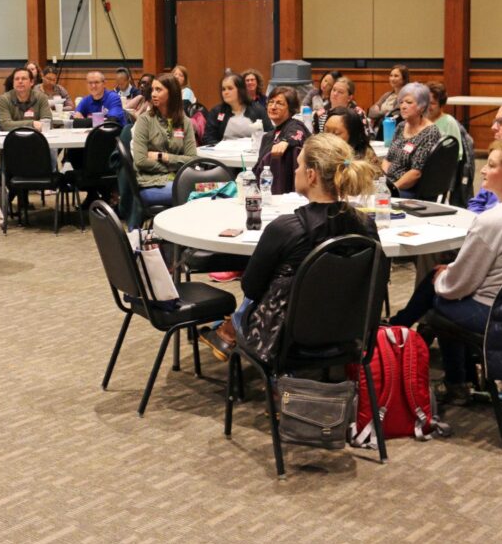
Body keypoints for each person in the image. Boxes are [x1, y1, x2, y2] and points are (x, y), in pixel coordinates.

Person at [391, 141, 502, 404]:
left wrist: (442, 277)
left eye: (491, 165)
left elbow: (456, 286)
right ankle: (403, 333)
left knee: (439, 296)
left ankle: (450, 378)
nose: (483, 171)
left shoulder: (493, 220)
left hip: (498, 315)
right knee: (441, 280)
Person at [199, 133, 380, 360]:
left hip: (284, 341)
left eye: (299, 165)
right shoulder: (366, 227)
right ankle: (229, 329)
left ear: (311, 175)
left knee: (265, 285)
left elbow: (251, 287)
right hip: (349, 334)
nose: (295, 171)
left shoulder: (286, 229)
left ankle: (228, 330)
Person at [131, 73, 196, 209]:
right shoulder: (144, 120)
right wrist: (173, 167)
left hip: (178, 179)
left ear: (172, 93)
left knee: (207, 192)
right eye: (153, 89)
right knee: (190, 194)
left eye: (158, 90)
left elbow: (192, 159)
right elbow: (140, 161)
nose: (153, 94)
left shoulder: (185, 122)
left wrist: (163, 157)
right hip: (151, 183)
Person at [382, 83, 440, 197]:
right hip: (390, 184)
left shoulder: (430, 132)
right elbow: (388, 159)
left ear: (422, 107)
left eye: (408, 102)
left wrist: (392, 188)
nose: (403, 106)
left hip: (411, 191)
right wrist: (384, 182)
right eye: (401, 102)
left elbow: (416, 173)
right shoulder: (401, 126)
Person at [251, 86, 309, 194]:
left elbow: (297, 134)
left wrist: (285, 141)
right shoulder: (267, 137)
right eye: (271, 102)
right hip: (266, 190)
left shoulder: (295, 125)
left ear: (290, 108)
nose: (273, 107)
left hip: (288, 192)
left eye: (279, 103)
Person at [202, 73, 271, 145]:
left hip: (252, 150)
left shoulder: (258, 110)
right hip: (223, 151)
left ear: (241, 90)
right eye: (223, 89)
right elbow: (208, 138)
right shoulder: (216, 112)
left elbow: (270, 134)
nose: (226, 92)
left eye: (230, 88)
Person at [426, 81, 463, 161]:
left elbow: (456, 153)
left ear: (441, 105)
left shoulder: (449, 122)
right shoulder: (419, 119)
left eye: (432, 103)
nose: (428, 106)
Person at [369, 64, 408, 129]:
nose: (392, 79)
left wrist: (378, 113)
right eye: (391, 75)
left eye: (396, 76)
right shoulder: (387, 95)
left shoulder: (405, 97)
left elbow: (393, 114)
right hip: (379, 128)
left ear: (404, 79)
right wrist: (384, 112)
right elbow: (371, 112)